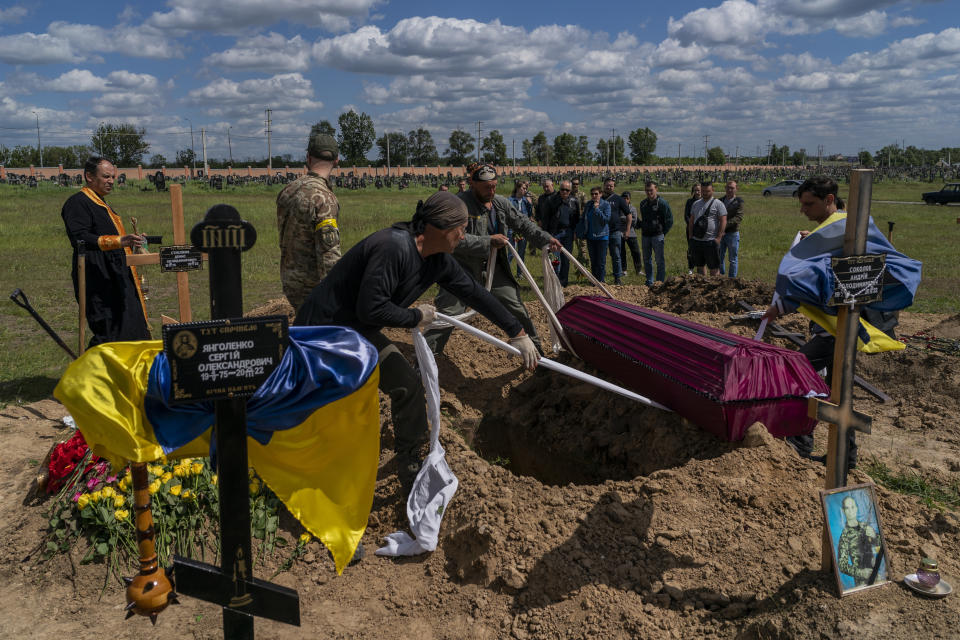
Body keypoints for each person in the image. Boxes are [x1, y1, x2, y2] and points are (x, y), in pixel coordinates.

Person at [295, 191, 539, 486]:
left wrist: (517, 332)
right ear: (440, 227)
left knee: (407, 383)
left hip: (358, 330)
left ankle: (411, 467)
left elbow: (476, 294)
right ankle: (295, 462)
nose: (463, 236)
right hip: (323, 332)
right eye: (461, 228)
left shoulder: (437, 260)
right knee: (316, 402)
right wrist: (415, 317)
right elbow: (371, 308)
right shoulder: (392, 247)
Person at [425, 163, 562, 356]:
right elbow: (452, 240)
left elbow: (523, 224)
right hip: (461, 270)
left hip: (495, 269)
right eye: (487, 187)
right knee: (449, 314)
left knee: (516, 308)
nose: (491, 191)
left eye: (494, 186)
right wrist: (487, 241)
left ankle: (537, 355)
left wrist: (546, 239)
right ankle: (424, 357)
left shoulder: (500, 203)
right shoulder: (459, 205)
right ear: (473, 183)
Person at [61, 156, 150, 347]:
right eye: (106, 176)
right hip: (97, 275)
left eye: (113, 177)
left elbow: (114, 240)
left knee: (131, 325)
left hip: (116, 273)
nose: (111, 181)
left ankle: (130, 373)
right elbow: (80, 238)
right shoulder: (78, 202)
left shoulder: (102, 203)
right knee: (109, 329)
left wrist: (132, 242)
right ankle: (99, 373)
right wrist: (119, 241)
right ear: (89, 177)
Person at [276, 129, 341, 311]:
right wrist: (336, 294)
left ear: (308, 157)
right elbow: (329, 254)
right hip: (312, 286)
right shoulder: (324, 198)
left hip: (290, 280)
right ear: (336, 160)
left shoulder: (288, 190)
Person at [541, 180, 580, 286]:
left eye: (567, 190)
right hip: (554, 234)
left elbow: (577, 218)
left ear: (570, 191)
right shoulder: (551, 200)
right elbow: (545, 219)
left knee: (566, 259)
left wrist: (575, 232)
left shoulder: (574, 201)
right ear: (559, 189)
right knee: (555, 259)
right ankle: (555, 281)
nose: (564, 192)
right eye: (562, 189)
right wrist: (547, 235)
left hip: (568, 233)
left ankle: (564, 282)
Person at [837, 495, 880, 587]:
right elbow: (842, 565)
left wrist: (874, 537)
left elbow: (879, 548)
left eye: (853, 507)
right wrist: (861, 573)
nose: (851, 511)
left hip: (878, 577)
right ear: (844, 511)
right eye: (847, 508)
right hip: (862, 583)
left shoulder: (867, 527)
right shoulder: (845, 536)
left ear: (856, 508)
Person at [637, 181, 674, 285]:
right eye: (647, 190)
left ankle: (659, 281)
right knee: (646, 259)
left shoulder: (662, 203)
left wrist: (663, 232)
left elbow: (670, 220)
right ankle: (649, 280)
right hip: (645, 236)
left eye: (651, 190)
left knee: (659, 260)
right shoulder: (643, 203)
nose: (649, 193)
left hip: (657, 236)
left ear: (656, 189)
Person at [687, 181, 726, 276]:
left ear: (712, 190)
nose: (705, 193)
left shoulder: (718, 204)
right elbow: (691, 221)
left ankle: (714, 288)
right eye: (703, 191)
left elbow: (723, 221)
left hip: (711, 241)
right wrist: (691, 236)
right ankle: (701, 286)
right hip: (697, 240)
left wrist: (718, 238)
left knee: (714, 267)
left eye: (707, 191)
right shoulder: (696, 204)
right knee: (700, 266)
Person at [601, 177, 632, 285]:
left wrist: (627, 230)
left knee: (616, 256)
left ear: (614, 187)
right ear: (603, 185)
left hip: (615, 232)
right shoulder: (599, 198)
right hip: (601, 232)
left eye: (611, 185)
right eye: (607, 185)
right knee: (602, 256)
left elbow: (629, 214)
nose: (609, 187)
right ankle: (601, 278)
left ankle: (617, 278)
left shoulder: (618, 199)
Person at [578, 186, 612, 283]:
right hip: (591, 237)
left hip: (602, 237)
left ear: (600, 194)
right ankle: (594, 281)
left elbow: (606, 219)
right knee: (593, 261)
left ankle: (601, 281)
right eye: (592, 194)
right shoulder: (588, 204)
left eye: (596, 194)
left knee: (601, 261)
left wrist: (597, 210)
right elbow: (584, 218)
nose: (594, 196)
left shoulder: (606, 205)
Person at [508, 180, 535, 278]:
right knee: (511, 252)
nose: (525, 190)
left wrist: (529, 203)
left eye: (526, 188)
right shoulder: (510, 200)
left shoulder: (525, 201)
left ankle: (520, 273)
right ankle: (506, 272)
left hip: (523, 230)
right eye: (523, 188)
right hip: (512, 229)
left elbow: (529, 214)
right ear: (518, 188)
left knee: (521, 252)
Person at [719, 180, 745, 277]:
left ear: (736, 189)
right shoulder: (719, 201)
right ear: (725, 188)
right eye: (728, 187)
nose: (729, 190)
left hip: (732, 234)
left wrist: (723, 226)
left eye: (732, 188)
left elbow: (738, 217)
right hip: (720, 234)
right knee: (719, 257)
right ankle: (720, 277)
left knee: (733, 259)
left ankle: (731, 280)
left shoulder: (739, 202)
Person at [620, 191, 642, 277]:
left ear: (629, 199)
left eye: (627, 198)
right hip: (620, 232)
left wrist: (624, 219)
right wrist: (627, 218)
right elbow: (617, 219)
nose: (625, 200)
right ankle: (623, 270)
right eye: (623, 198)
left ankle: (638, 270)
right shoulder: (618, 208)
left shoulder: (633, 208)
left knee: (636, 251)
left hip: (631, 233)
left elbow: (634, 221)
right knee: (622, 252)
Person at [570, 177, 590, 267]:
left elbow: (586, 207)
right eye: (573, 184)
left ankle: (583, 262)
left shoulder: (582, 194)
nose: (575, 185)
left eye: (577, 184)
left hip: (580, 222)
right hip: (569, 222)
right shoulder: (567, 194)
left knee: (582, 244)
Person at [683, 183, 702, 275]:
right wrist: (691, 225)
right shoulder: (689, 202)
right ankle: (691, 267)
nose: (697, 192)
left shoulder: (705, 201)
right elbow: (686, 215)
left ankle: (701, 267)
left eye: (699, 190)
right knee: (691, 248)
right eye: (695, 190)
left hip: (702, 230)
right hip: (691, 229)